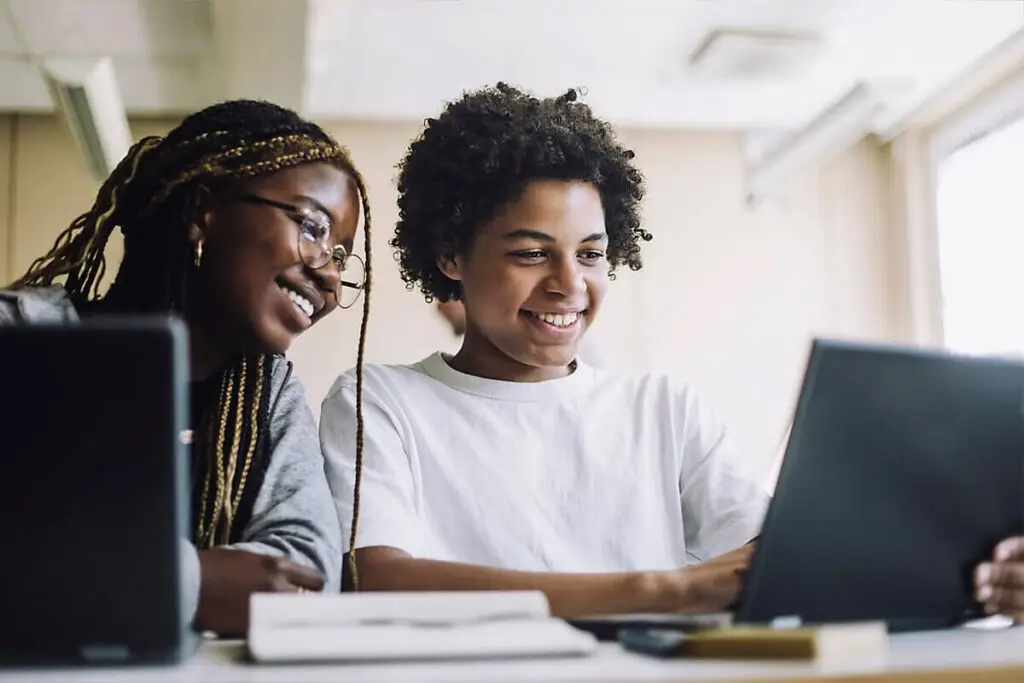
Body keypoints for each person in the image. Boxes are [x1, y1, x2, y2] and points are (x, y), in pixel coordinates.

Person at [321, 83, 766, 616]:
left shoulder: (665, 408)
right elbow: (379, 578)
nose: (569, 284)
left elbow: (773, 554)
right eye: (532, 254)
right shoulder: (380, 402)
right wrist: (661, 590)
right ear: (450, 257)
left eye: (590, 254)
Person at [0, 100, 373, 636]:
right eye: (313, 228)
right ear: (203, 213)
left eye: (340, 256)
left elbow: (305, 572)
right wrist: (191, 582)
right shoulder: (23, 333)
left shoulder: (267, 393)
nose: (331, 278)